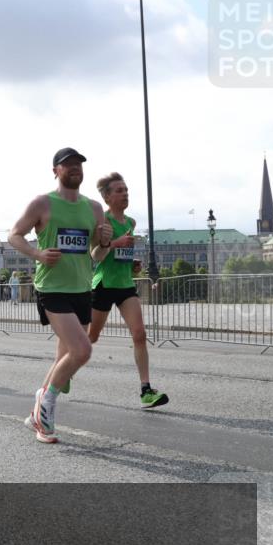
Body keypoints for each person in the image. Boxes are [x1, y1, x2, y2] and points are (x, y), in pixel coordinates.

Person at [8, 147, 112, 443]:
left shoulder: (94, 208)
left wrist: (105, 243)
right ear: (56, 171)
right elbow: (14, 235)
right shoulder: (42, 203)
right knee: (82, 351)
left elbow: (96, 254)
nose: (75, 168)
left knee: (64, 358)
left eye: (79, 164)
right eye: (68, 164)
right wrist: (37, 254)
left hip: (82, 289)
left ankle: (35, 414)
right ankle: (45, 411)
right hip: (52, 289)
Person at [88, 172, 169, 408]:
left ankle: (146, 390)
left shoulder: (130, 223)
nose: (125, 194)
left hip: (125, 285)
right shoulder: (102, 221)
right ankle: (65, 368)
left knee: (139, 334)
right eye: (119, 191)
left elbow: (119, 255)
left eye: (126, 190)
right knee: (91, 337)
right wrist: (115, 243)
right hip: (104, 285)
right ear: (107, 197)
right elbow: (95, 255)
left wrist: (131, 263)